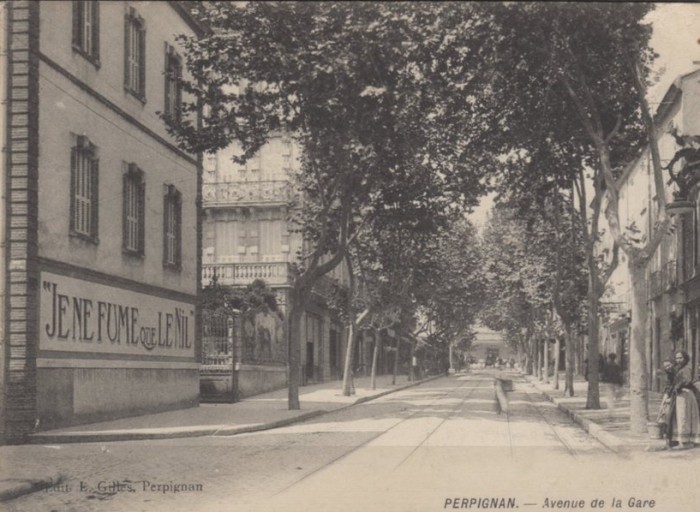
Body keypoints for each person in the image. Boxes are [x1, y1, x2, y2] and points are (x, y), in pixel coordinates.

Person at [665, 351, 700, 449]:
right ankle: (681, 440)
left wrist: (678, 386)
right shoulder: (678, 369)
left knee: (684, 416)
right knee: (679, 416)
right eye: (677, 358)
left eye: (680, 358)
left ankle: (686, 442)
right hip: (680, 395)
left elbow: (686, 380)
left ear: (685, 359)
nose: (678, 360)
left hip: (685, 395)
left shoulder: (686, 369)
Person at [655, 360, 675, 437]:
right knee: (664, 411)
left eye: (668, 365)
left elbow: (672, 386)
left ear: (672, 364)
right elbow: (668, 387)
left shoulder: (676, 373)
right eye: (665, 366)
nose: (667, 367)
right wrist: (665, 398)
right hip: (669, 394)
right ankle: (666, 432)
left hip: (676, 394)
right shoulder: (668, 375)